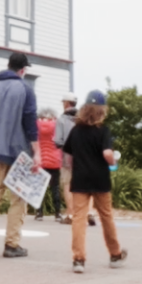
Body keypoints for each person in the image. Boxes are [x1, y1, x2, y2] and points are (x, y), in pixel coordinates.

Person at [0, 51, 41, 258]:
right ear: (23, 70)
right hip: (19, 153)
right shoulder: (25, 90)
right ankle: (11, 245)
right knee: (19, 199)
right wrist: (37, 152)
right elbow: (30, 123)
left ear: (8, 65)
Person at [62, 90, 127, 274]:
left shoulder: (76, 131)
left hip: (80, 178)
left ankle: (79, 259)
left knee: (79, 219)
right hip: (100, 179)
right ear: (102, 110)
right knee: (106, 216)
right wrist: (113, 161)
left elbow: (68, 151)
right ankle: (115, 254)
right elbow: (107, 153)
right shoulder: (103, 131)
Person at [54, 93, 77, 224]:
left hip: (67, 157)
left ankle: (70, 214)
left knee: (67, 184)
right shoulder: (81, 118)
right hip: (81, 158)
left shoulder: (62, 119)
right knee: (80, 186)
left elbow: (58, 140)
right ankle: (82, 213)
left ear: (67, 103)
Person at [35, 108, 62, 221]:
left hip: (41, 161)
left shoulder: (36, 125)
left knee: (40, 189)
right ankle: (57, 214)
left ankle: (39, 213)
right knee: (55, 188)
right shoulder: (57, 125)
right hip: (55, 162)